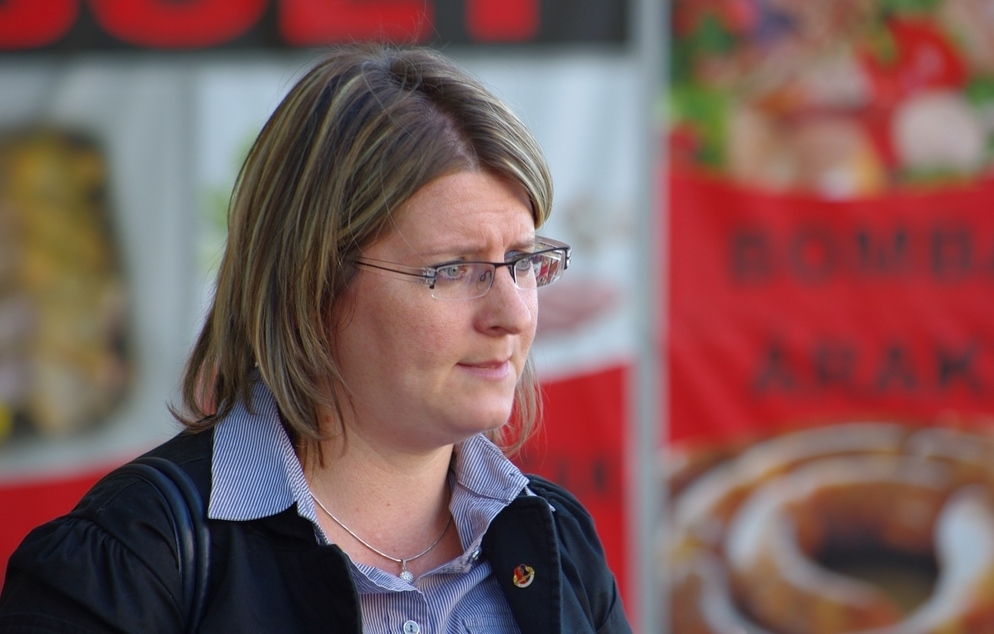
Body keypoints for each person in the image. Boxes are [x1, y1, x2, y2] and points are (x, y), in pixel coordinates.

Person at [0, 43, 631, 633]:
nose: (512, 314)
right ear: (312, 283)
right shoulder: (129, 561)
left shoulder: (555, 541)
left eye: (522, 261)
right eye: (452, 269)